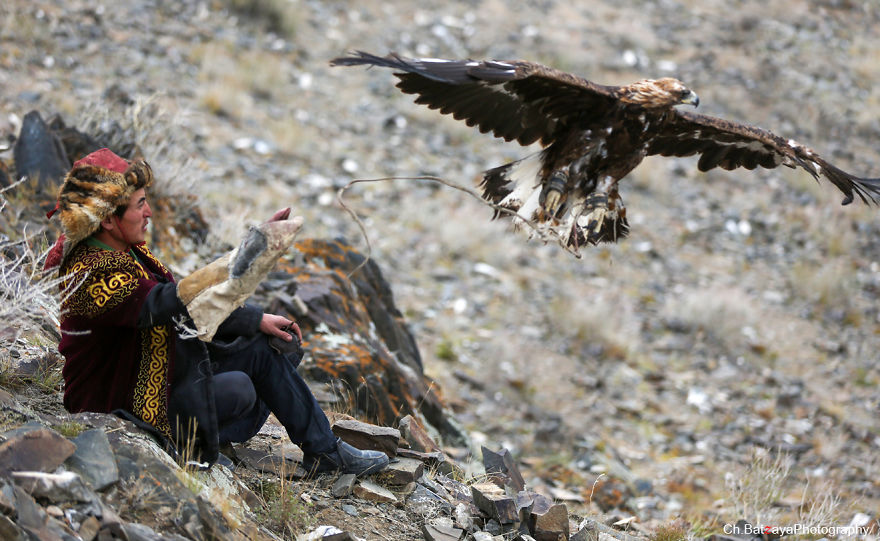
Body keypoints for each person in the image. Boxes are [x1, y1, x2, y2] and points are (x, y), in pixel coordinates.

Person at [44, 147, 388, 476]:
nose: (148, 212)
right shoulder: (88, 272)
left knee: (266, 348)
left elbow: (182, 307)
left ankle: (325, 452)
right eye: (140, 204)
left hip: (158, 372)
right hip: (118, 402)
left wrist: (255, 320)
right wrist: (246, 254)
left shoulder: (127, 251)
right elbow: (167, 304)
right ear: (107, 219)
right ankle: (183, 445)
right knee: (239, 388)